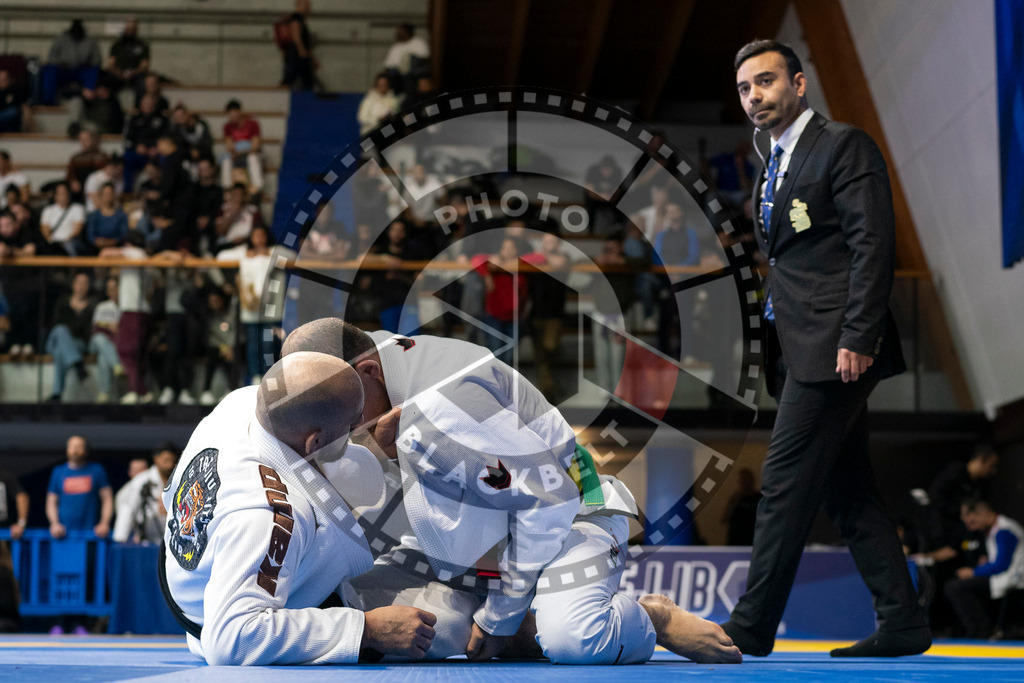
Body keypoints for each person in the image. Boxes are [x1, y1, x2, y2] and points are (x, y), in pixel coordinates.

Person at [281, 318, 741, 664]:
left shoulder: (441, 407)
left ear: (368, 371)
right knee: (346, 613)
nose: (342, 424)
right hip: (474, 545)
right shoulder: (379, 360)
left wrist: (498, 614)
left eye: (344, 409)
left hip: (572, 518)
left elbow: (549, 500)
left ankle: (650, 617)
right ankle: (521, 625)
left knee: (574, 638)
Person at [720, 39, 930, 658]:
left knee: (784, 483)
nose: (755, 96)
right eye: (744, 89)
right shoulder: (769, 167)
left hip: (840, 347)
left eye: (765, 82)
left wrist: (858, 335)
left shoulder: (844, 145)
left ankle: (751, 627)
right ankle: (904, 622)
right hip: (800, 346)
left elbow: (874, 245)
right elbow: (789, 260)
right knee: (849, 490)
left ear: (799, 83)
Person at [161, 351, 439, 665]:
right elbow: (231, 639)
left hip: (193, 565)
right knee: (444, 627)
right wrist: (367, 630)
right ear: (314, 443)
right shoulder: (267, 516)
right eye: (352, 424)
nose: (363, 423)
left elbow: (173, 495)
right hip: (213, 615)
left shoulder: (244, 401)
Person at [943, 499, 1024, 638]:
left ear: (983, 513)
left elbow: (1001, 565)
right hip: (1006, 576)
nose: (967, 522)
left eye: (971, 519)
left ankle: (981, 630)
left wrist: (973, 572)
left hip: (1013, 579)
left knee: (955, 587)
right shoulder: (994, 529)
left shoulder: (1004, 530)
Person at [46, 435, 113, 539]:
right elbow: (51, 501)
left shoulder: (97, 470)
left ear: (86, 450)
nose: (75, 450)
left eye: (79, 446)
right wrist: (54, 523)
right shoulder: (58, 472)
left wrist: (104, 523)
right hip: (63, 533)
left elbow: (107, 498)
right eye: (72, 446)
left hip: (91, 532)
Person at [44, 271, 97, 402]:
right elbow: (55, 325)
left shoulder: (91, 307)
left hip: (77, 345)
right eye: (79, 283)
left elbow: (86, 332)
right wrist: (68, 332)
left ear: (88, 287)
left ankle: (57, 394)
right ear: (73, 285)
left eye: (85, 283)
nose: (81, 286)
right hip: (55, 340)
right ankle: (78, 365)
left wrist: (70, 332)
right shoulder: (63, 302)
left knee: (60, 352)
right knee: (61, 331)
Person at [113, 444, 179, 544]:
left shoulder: (180, 480)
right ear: (156, 459)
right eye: (166, 460)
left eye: (173, 461)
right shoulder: (141, 481)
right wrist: (120, 539)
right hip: (148, 540)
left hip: (174, 539)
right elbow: (128, 509)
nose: (170, 465)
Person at [40, 19, 101, 105]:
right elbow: (51, 57)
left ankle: (88, 95)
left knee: (94, 71)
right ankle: (49, 100)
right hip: (63, 70)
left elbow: (96, 61)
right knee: (49, 70)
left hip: (81, 70)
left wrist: (86, 64)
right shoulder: (61, 38)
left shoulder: (90, 41)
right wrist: (62, 63)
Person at [220, 100, 263, 196]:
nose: (232, 117)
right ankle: (227, 188)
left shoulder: (252, 124)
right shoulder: (228, 126)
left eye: (233, 113)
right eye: (229, 115)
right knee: (226, 160)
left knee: (252, 158)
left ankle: (257, 187)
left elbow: (255, 146)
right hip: (237, 154)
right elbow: (229, 145)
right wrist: (235, 152)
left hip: (250, 152)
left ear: (239, 111)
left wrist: (242, 152)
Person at [40, 181, 87, 256]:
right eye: (60, 193)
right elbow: (45, 229)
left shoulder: (78, 208)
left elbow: (77, 229)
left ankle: (73, 267)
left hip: (71, 241)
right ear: (55, 196)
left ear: (69, 194)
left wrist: (65, 241)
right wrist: (51, 240)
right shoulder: (48, 210)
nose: (63, 196)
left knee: (69, 245)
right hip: (53, 241)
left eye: (65, 193)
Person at [105, 18, 149, 95]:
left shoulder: (142, 45)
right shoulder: (117, 44)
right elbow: (111, 63)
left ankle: (139, 106)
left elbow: (144, 65)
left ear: (136, 30)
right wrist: (117, 72)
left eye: (132, 29)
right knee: (108, 84)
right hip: (118, 74)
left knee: (142, 85)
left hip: (135, 75)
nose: (130, 32)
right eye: (128, 29)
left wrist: (134, 72)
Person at [281, 0, 316, 91]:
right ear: (299, 5)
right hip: (296, 55)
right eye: (306, 5)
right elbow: (295, 34)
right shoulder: (296, 18)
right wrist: (301, 49)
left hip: (296, 54)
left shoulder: (299, 19)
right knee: (292, 78)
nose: (309, 8)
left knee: (295, 78)